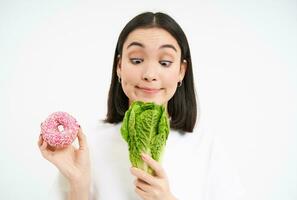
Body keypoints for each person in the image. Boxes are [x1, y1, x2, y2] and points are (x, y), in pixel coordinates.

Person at [38, 11, 245, 200]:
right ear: (119, 66)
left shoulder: (206, 148)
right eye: (136, 60)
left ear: (181, 71)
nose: (149, 75)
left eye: (165, 63)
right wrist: (79, 184)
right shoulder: (88, 146)